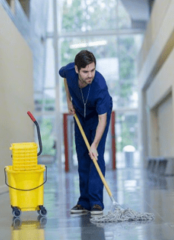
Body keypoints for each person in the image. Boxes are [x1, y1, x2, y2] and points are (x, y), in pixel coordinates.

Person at [59, 50, 113, 215]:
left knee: (94, 155)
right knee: (82, 155)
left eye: (92, 70)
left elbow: (102, 120)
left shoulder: (100, 86)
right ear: (77, 70)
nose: (90, 75)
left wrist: (94, 145)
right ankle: (84, 202)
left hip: (97, 116)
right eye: (85, 71)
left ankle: (96, 202)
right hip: (80, 115)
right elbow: (65, 78)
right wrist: (68, 100)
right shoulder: (69, 71)